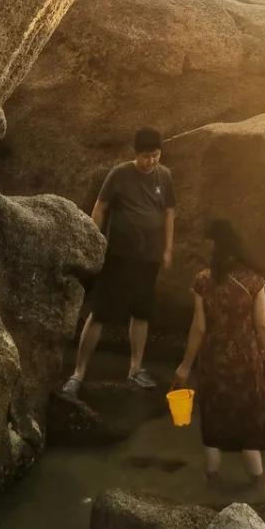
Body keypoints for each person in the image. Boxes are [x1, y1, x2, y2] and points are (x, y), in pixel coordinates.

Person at [62, 127, 175, 396]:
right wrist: (93, 240)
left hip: (148, 257)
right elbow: (100, 207)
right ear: (136, 154)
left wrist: (168, 248)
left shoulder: (164, 176)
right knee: (100, 312)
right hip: (118, 256)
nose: (151, 161)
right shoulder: (119, 174)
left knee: (141, 312)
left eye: (156, 155)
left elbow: (170, 212)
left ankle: (135, 369)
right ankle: (78, 373)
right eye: (146, 156)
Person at [173, 220, 265, 481]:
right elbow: (263, 324)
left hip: (213, 362)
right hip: (246, 362)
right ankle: (257, 489)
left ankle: (211, 486)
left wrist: (185, 366)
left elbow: (198, 328)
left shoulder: (203, 281)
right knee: (249, 430)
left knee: (213, 426)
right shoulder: (255, 280)